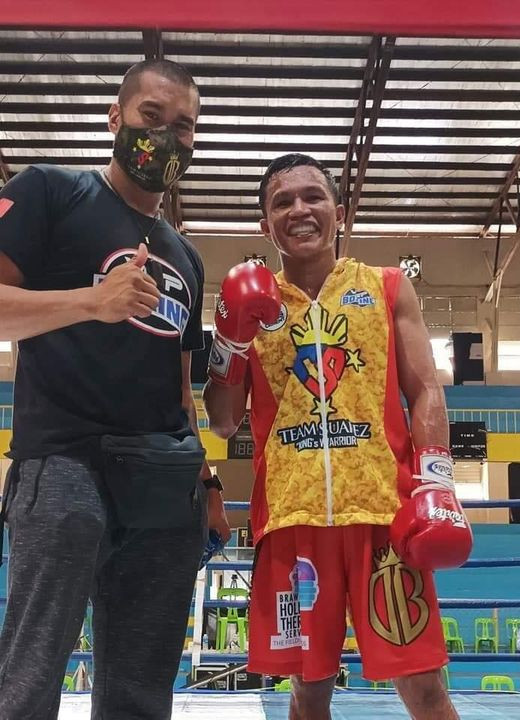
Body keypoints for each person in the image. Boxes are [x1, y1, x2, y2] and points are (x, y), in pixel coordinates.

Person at [203, 153, 473, 720]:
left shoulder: (387, 287)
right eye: (282, 202)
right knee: (307, 694)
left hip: (383, 517)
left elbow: (426, 389)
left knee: (425, 688)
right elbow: (223, 421)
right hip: (292, 519)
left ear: (340, 211)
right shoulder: (255, 302)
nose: (299, 210)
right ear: (265, 225)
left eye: (313, 196)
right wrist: (228, 341)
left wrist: (436, 482)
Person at [0, 59, 230, 720]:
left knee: (141, 692)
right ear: (114, 117)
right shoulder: (50, 191)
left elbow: (180, 390)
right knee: (29, 682)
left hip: (163, 481)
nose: (165, 138)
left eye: (182, 127)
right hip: (65, 462)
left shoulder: (185, 256)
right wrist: (90, 301)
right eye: (151, 117)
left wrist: (208, 482)